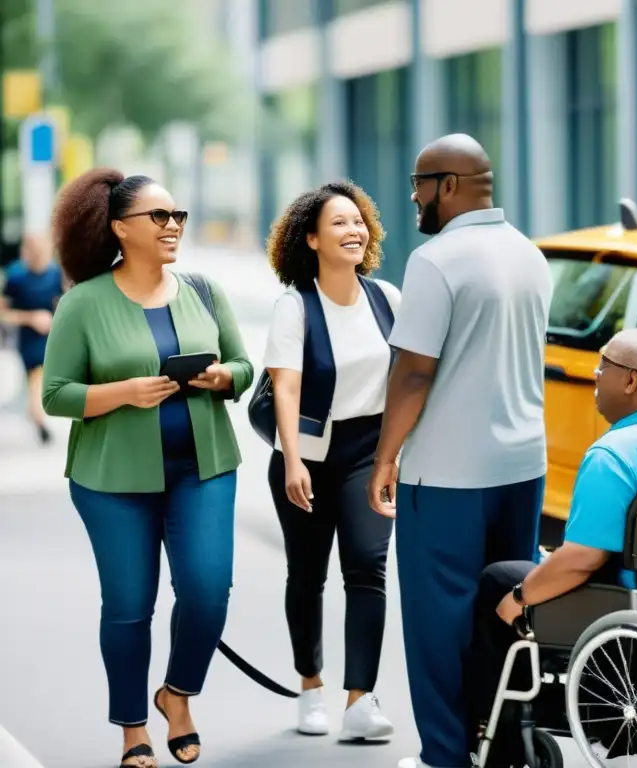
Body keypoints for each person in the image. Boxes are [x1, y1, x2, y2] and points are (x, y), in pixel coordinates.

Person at [42, 168, 254, 768]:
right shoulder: (82, 303)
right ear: (120, 229)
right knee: (130, 604)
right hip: (112, 482)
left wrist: (222, 378)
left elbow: (243, 366)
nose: (173, 226)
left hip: (204, 468)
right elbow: (55, 395)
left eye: (177, 216)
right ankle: (133, 725)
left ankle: (177, 694)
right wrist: (124, 392)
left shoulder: (204, 291)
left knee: (209, 591)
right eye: (159, 217)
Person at [463, 329, 637, 763]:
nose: (595, 374)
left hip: (633, 609)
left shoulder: (612, 456)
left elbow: (583, 560)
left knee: (498, 581)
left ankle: (494, 737)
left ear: (630, 381)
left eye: (604, 366)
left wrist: (518, 599)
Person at [366, 134, 553, 768]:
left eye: (419, 184)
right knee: (506, 608)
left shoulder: (436, 259)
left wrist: (386, 456)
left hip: (447, 475)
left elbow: (414, 372)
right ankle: (500, 746)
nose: (414, 198)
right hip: (523, 466)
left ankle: (444, 755)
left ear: (448, 186)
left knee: (438, 623)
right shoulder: (531, 254)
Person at [261, 180, 399, 739]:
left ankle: (360, 701)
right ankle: (310, 684)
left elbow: (411, 378)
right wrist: (293, 460)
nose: (353, 230)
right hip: (309, 454)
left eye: (358, 220)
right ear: (312, 239)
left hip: (370, 452)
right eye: (339, 223)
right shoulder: (295, 306)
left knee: (367, 567)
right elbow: (286, 389)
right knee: (308, 574)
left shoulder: (388, 298)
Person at [0, 232, 64, 444]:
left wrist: (54, 318)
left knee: (44, 382)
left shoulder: (56, 274)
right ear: (26, 252)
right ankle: (38, 418)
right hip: (29, 340)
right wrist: (31, 318)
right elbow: (4, 313)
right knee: (37, 377)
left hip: (54, 335)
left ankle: (35, 414)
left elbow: (65, 303)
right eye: (33, 251)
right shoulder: (15, 277)